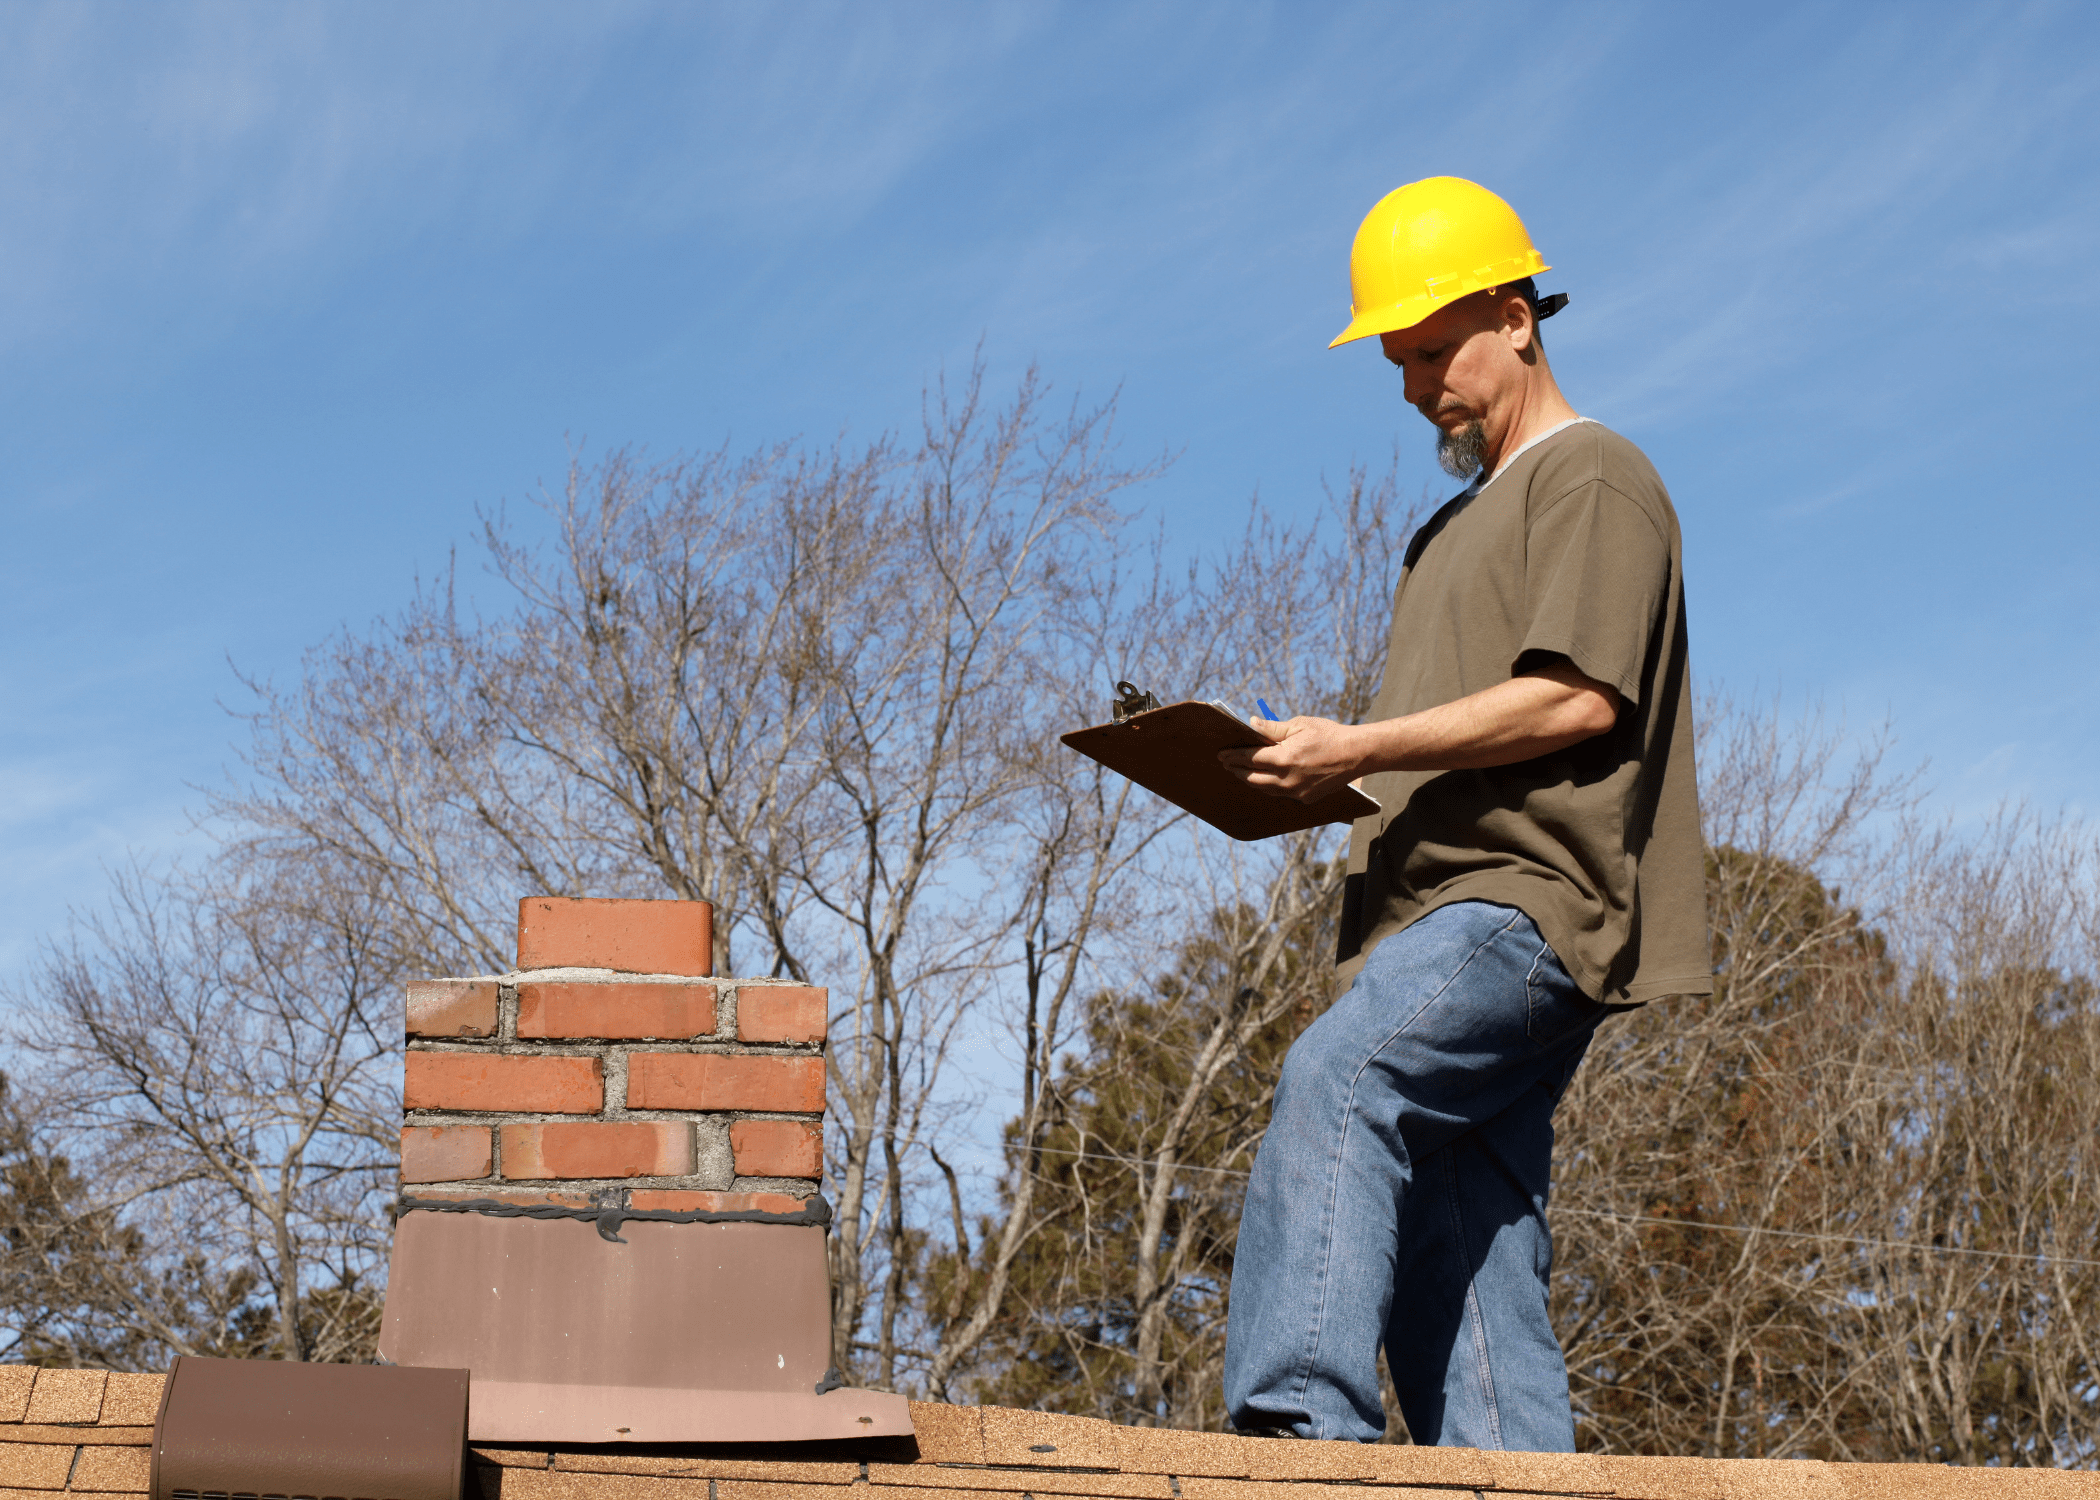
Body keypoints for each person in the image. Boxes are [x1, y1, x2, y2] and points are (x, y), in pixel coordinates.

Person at [1216, 177, 1711, 1450]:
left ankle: (1297, 1435)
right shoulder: (1446, 532)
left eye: (1436, 351)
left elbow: (1576, 701)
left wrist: (1366, 742)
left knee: (1342, 1076)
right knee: (1462, 1224)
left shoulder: (1593, 474)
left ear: (1517, 316)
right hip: (1431, 911)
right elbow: (1454, 742)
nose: (1414, 387)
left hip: (1524, 904)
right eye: (1397, 363)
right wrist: (1322, 779)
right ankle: (1508, 1471)